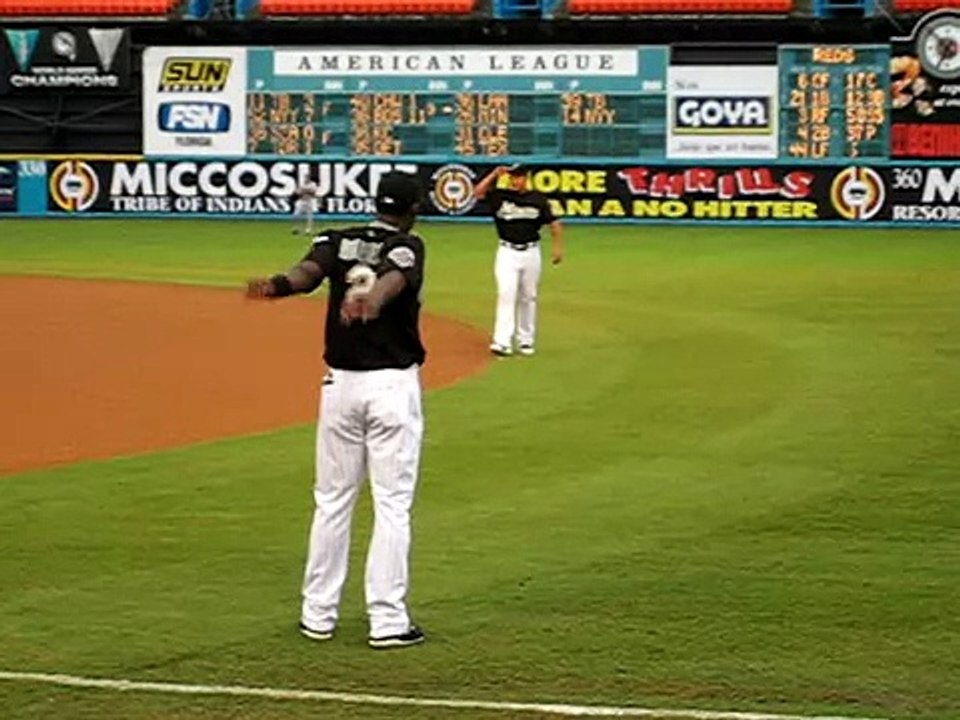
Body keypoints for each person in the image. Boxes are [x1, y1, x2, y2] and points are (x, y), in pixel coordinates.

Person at [246, 170, 428, 650]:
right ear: (412, 209)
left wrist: (276, 285)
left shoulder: (336, 238)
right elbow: (394, 276)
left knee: (331, 501)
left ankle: (317, 614)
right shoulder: (409, 244)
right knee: (391, 504)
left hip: (339, 388)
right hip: (391, 387)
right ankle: (387, 621)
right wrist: (370, 298)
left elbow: (305, 276)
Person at [473, 164, 563, 357]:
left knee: (528, 296)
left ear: (526, 178)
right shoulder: (499, 196)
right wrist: (494, 174)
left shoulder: (537, 199)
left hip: (531, 252)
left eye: (520, 177)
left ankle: (526, 340)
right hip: (507, 252)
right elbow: (477, 194)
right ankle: (502, 341)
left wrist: (557, 247)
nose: (516, 180)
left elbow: (554, 223)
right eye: (513, 177)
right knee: (506, 294)